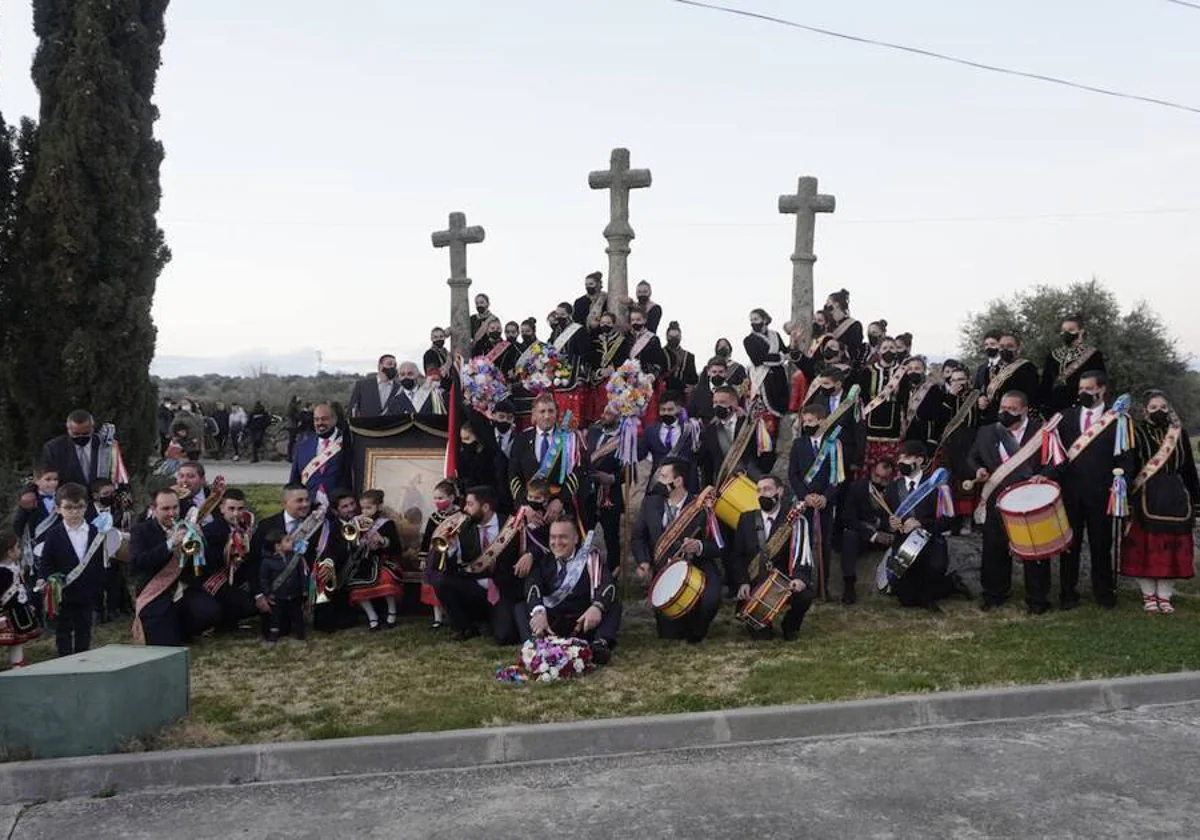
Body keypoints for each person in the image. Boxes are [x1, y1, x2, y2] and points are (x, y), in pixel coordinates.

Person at [1043, 371, 1122, 610]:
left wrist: (1120, 482)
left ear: (1102, 390)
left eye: (1089, 389)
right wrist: (1044, 476)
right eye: (1080, 390)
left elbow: (1125, 456)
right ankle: (1068, 593)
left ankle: (1104, 592)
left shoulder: (1118, 420)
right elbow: (1056, 457)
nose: (1083, 394)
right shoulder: (1066, 418)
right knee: (1070, 547)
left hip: (1102, 493)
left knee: (1101, 546)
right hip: (1071, 494)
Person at [968, 390, 1050, 612]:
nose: (1006, 413)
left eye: (1012, 409)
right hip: (997, 496)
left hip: (1030, 497)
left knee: (1034, 549)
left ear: (1024, 410)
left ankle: (1037, 598)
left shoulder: (1041, 432)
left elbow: (1055, 460)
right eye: (1003, 408)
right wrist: (979, 469)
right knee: (994, 547)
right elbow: (972, 457)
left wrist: (1044, 474)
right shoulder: (987, 431)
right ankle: (994, 594)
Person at [1121, 391, 1198, 614]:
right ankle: (1148, 596)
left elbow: (1189, 469)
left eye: (1163, 407)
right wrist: (1124, 498)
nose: (1159, 411)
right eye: (1154, 407)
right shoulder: (1135, 432)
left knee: (1172, 549)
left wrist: (1196, 500)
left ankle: (1164, 596)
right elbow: (1130, 466)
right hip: (1145, 495)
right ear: (1145, 410)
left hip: (1175, 496)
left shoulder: (1179, 433)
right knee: (1145, 549)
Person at [633, 459, 723, 642]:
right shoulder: (650, 503)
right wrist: (643, 561)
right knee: (669, 635)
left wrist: (699, 546)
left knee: (711, 599)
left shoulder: (701, 506)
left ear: (679, 481)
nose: (659, 481)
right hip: (665, 569)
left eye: (664, 477)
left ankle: (698, 630)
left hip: (698, 566)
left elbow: (720, 545)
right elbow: (638, 537)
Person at [518, 518, 620, 665]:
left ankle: (600, 645)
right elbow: (532, 585)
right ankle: (534, 644)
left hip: (582, 622)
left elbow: (608, 584)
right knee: (520, 607)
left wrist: (597, 607)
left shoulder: (590, 559)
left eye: (563, 537)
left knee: (613, 605)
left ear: (576, 539)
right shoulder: (543, 559)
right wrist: (538, 611)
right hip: (551, 623)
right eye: (553, 537)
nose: (557, 542)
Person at [130, 487, 223, 645]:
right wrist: (169, 544)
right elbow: (139, 563)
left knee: (210, 613)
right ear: (153, 509)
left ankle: (185, 629)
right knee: (165, 642)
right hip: (155, 591)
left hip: (185, 587)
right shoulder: (141, 530)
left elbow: (205, 565)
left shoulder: (186, 526)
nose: (172, 513)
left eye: (175, 507)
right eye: (165, 509)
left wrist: (201, 542)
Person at [435, 486, 522, 644]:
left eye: (470, 504)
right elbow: (451, 568)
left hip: (502, 588)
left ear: (486, 507)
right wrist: (451, 547)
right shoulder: (464, 527)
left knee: (505, 637)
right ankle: (465, 628)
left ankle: (496, 618)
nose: (465, 509)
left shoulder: (511, 525)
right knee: (442, 582)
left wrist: (529, 554)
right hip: (475, 586)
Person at [881, 442, 962, 609]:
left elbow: (949, 521)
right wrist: (891, 524)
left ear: (919, 460)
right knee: (907, 600)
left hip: (930, 540)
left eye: (907, 457)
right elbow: (884, 520)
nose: (901, 461)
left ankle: (948, 584)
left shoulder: (937, 486)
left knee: (928, 590)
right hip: (903, 543)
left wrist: (921, 523)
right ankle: (944, 585)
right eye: (900, 457)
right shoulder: (892, 488)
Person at [733, 475, 815, 641]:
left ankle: (790, 626)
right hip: (755, 585)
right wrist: (742, 582)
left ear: (780, 491)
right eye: (759, 490)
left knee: (805, 595)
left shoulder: (794, 520)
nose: (762, 494)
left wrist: (799, 579)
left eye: (767, 489)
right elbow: (737, 556)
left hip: (783, 583)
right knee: (762, 637)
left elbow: (802, 555)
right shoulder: (746, 519)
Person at [34, 483, 104, 656]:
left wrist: (98, 585)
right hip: (62, 592)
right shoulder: (54, 534)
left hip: (86, 591)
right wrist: (45, 579)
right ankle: (65, 662)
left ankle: (83, 659)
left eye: (79, 507)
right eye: (68, 508)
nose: (74, 512)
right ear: (58, 509)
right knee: (63, 631)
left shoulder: (95, 532)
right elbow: (46, 561)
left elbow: (99, 562)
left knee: (84, 630)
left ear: (86, 507)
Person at [787, 403, 843, 595]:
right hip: (804, 502)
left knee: (823, 544)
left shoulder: (834, 445)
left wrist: (825, 497)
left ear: (822, 421)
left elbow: (837, 477)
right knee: (803, 542)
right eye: (805, 421)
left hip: (824, 504)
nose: (807, 424)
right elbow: (793, 475)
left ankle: (822, 586)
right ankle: (803, 581)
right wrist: (805, 495)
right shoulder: (798, 444)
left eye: (811, 421)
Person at [508, 394, 589, 521]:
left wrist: (561, 500)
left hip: (560, 510)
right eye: (542, 411)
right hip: (529, 510)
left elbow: (578, 472)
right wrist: (524, 505)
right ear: (534, 415)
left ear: (556, 413)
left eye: (551, 411)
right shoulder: (521, 439)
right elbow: (513, 475)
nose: (547, 416)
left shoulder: (569, 439)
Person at [200, 489, 261, 632]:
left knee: (257, 602)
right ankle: (222, 620)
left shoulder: (244, 527)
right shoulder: (211, 531)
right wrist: (229, 550)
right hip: (214, 580)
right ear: (221, 509)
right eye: (231, 508)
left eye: (240, 509)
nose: (236, 513)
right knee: (245, 604)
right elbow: (209, 564)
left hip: (237, 579)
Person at [839, 458, 897, 605]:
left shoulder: (895, 492)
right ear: (871, 472)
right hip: (863, 535)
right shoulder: (857, 488)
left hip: (885, 536)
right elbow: (848, 519)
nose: (879, 481)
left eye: (884, 479)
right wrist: (873, 535)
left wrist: (891, 530)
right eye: (877, 476)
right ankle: (849, 584)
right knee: (849, 535)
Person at [345, 490, 404, 631]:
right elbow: (350, 544)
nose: (365, 511)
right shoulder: (356, 522)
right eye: (363, 508)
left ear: (378, 506)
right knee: (354, 583)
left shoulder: (387, 524)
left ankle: (392, 612)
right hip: (363, 561)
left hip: (382, 560)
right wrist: (357, 540)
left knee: (386, 578)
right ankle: (372, 616)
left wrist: (382, 541)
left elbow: (396, 547)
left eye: (369, 508)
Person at [699, 386, 775, 486]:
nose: (717, 406)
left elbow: (766, 454)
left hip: (752, 481)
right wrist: (707, 488)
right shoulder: (709, 430)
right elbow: (707, 464)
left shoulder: (751, 425)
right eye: (715, 402)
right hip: (725, 486)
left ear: (734, 404)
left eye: (722, 402)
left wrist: (762, 476)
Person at [38, 409, 125, 497]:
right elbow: (44, 475)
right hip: (69, 501)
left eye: (85, 433)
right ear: (68, 429)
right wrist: (29, 491)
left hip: (100, 502)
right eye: (75, 434)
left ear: (92, 427)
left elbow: (119, 474)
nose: (81, 437)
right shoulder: (54, 448)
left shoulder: (105, 446)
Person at [857, 335, 906, 477]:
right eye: (885, 348)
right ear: (878, 351)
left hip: (893, 426)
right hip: (871, 425)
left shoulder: (902, 372)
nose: (888, 350)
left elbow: (905, 399)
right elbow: (863, 397)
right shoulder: (868, 371)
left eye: (892, 347)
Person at [585, 404, 625, 571]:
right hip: (588, 493)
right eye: (605, 411)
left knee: (611, 537)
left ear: (618, 417)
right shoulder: (593, 431)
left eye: (610, 413)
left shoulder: (625, 439)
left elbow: (629, 471)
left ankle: (613, 575)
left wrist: (612, 478)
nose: (605, 414)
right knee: (585, 535)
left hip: (610, 494)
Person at [1040, 315, 1106, 416]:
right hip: (1054, 409)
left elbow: (1100, 382)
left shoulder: (1093, 355)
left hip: (1080, 405)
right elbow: (1046, 384)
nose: (1066, 333)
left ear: (1081, 332)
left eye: (1071, 330)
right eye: (1064, 330)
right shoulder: (1052, 356)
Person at [289, 403, 352, 502]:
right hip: (308, 506)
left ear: (334, 420)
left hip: (337, 507)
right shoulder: (303, 444)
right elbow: (295, 479)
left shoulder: (348, 442)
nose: (320, 423)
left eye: (324, 419)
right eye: (316, 419)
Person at [420, 478, 461, 629]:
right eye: (435, 498)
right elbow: (426, 539)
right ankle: (437, 618)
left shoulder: (460, 515)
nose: (438, 501)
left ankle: (452, 615)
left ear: (451, 498)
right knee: (433, 584)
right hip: (435, 556)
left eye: (441, 498)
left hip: (453, 555)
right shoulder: (434, 517)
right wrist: (423, 557)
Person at [258, 529, 307, 646]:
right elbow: (264, 579)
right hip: (278, 596)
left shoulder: (296, 558)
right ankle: (272, 637)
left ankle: (300, 636)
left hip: (294, 594)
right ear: (278, 546)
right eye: (287, 540)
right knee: (275, 618)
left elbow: (302, 574)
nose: (292, 542)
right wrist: (267, 593)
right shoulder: (267, 562)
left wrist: (304, 589)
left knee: (297, 615)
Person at [642, 391, 700, 489]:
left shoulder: (690, 429)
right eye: (663, 410)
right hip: (659, 483)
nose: (666, 413)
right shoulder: (650, 431)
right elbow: (640, 453)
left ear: (679, 409)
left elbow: (698, 453)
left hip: (685, 484)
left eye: (670, 409)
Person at [977, 332, 1040, 422]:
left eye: (1009, 346)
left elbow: (1031, 396)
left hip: (1016, 418)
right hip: (994, 418)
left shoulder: (1026, 367)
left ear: (1018, 348)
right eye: (1002, 347)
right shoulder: (993, 369)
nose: (1005, 349)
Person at [0, 533, 39, 669]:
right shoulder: (2, 573)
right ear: (9, 552)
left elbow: (21, 589)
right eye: (18, 547)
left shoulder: (15, 567)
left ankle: (17, 666)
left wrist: (28, 605)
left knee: (16, 642)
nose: (20, 550)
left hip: (18, 613)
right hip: (5, 614)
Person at [743, 308, 790, 418]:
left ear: (764, 319)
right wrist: (782, 357)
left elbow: (784, 351)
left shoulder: (775, 335)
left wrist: (794, 342)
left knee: (783, 404)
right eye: (751, 320)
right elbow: (758, 359)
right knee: (767, 407)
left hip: (779, 375)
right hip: (762, 377)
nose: (753, 322)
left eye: (756, 319)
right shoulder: (749, 340)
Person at [586, 310, 628, 420]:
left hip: (614, 381)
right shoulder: (595, 340)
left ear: (613, 324)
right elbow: (591, 358)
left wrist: (613, 369)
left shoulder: (622, 341)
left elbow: (624, 359)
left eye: (608, 323)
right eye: (603, 323)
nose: (605, 325)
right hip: (598, 380)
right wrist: (599, 371)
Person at [348, 354, 402, 418]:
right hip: (366, 426)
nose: (392, 367)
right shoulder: (362, 386)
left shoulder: (400, 389)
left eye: (395, 365)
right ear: (380, 366)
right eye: (389, 364)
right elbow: (351, 410)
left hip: (392, 426)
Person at [823, 289, 864, 364]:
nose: (826, 305)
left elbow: (854, 349)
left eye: (828, 302)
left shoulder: (854, 325)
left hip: (844, 365)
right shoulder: (827, 325)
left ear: (836, 304)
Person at [663, 321, 699, 396]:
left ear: (680, 337)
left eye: (676, 336)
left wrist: (692, 388)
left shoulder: (689, 356)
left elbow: (694, 379)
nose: (674, 339)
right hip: (663, 392)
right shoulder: (660, 353)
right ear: (666, 337)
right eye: (671, 336)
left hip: (681, 395)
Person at [972, 330, 1004, 394]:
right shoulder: (981, 368)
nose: (988, 347)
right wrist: (980, 398)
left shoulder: (1008, 365)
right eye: (986, 345)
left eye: (992, 344)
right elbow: (976, 389)